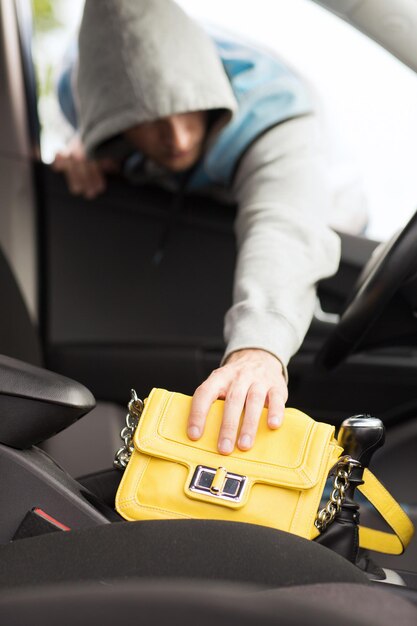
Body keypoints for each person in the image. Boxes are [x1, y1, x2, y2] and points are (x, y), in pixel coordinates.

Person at [52, 0, 355, 456]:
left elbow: (283, 224)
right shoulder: (80, 90)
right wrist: (87, 142)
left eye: (189, 108)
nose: (176, 138)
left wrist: (258, 349)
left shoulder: (276, 113)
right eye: (147, 122)